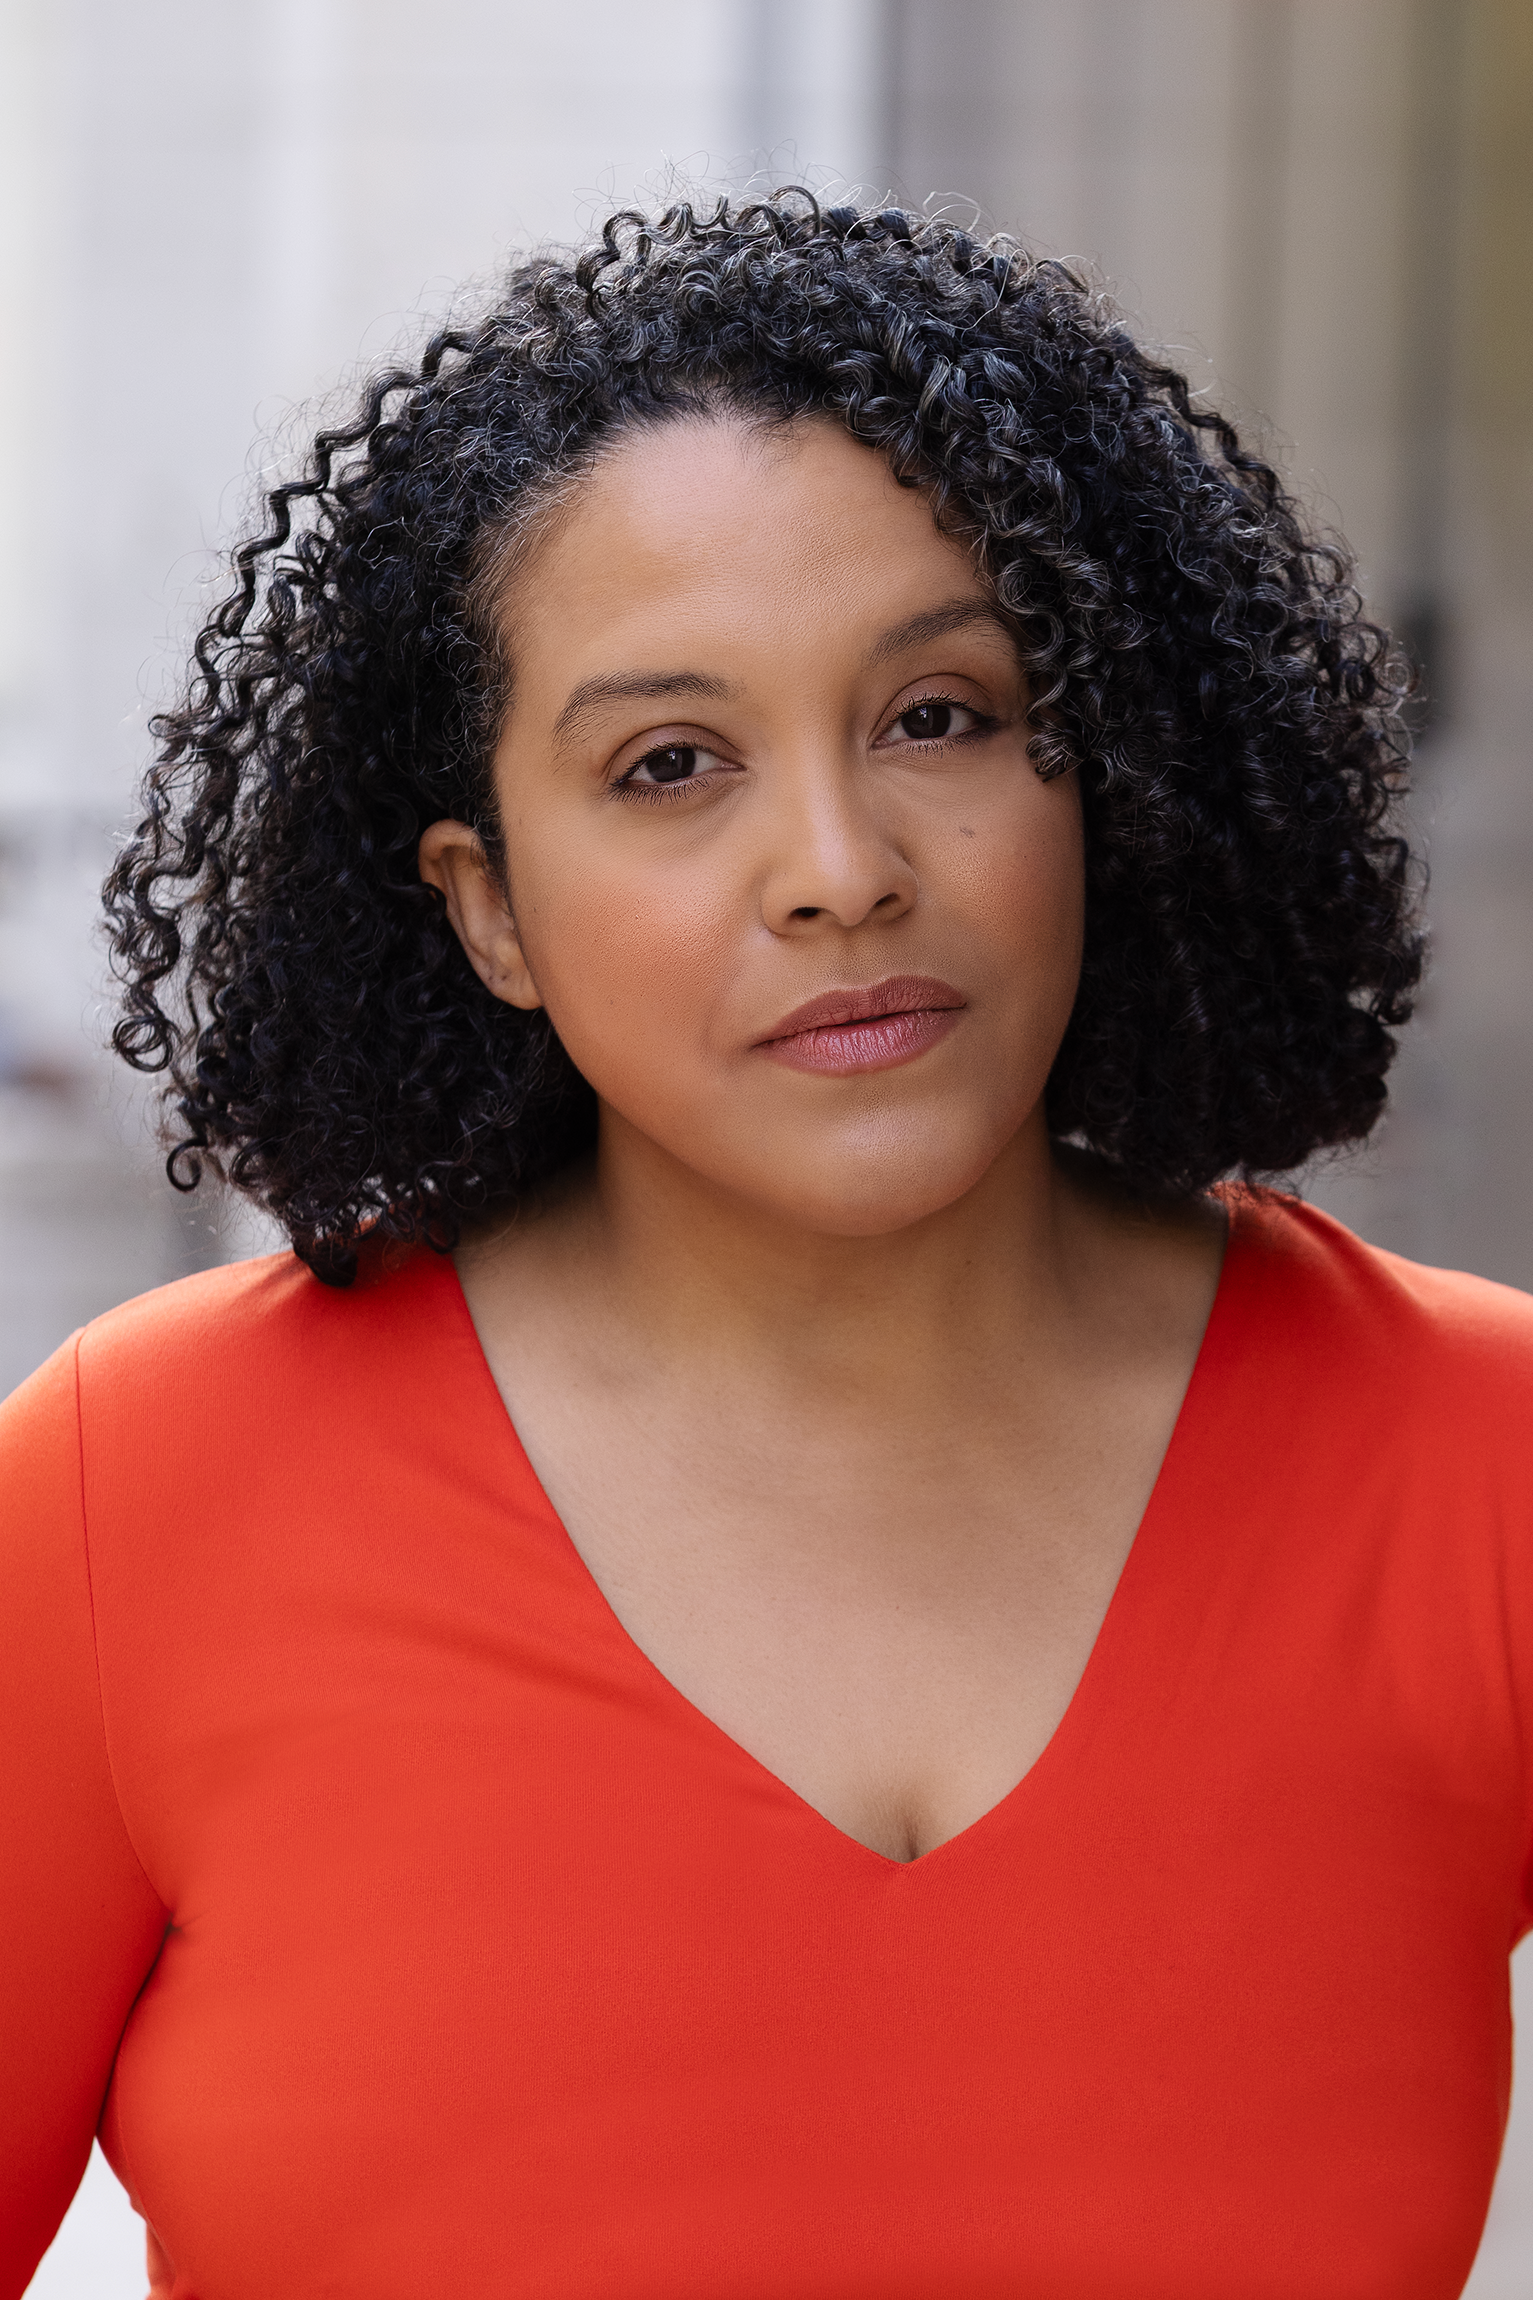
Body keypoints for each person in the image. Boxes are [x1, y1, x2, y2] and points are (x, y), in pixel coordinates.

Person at [2, 189, 1529, 2300]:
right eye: (669, 764)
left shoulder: (1477, 1458)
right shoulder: (130, 1492)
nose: (836, 869)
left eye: (942, 717)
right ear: (489, 906)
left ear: (1112, 767)